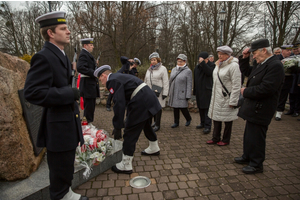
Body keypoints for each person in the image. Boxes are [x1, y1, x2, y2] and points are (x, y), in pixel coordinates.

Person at [23, 11, 87, 200]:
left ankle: (66, 193)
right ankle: (60, 195)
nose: (68, 31)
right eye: (63, 29)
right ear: (51, 33)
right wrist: (69, 93)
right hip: (57, 125)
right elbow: (32, 92)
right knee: (59, 166)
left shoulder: (61, 55)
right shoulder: (44, 57)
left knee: (66, 163)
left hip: (66, 121)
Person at [94, 65, 161, 174]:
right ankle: (154, 147)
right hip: (147, 97)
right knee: (145, 124)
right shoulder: (117, 77)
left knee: (130, 130)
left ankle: (126, 163)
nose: (100, 82)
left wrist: (118, 126)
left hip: (141, 100)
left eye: (100, 78)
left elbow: (119, 104)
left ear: (104, 75)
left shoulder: (112, 81)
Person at [236, 39, 284, 174]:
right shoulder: (262, 63)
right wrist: (244, 59)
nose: (254, 56)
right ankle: (247, 156)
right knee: (249, 135)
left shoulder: (275, 65)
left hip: (262, 108)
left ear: (264, 50)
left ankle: (257, 164)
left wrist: (246, 91)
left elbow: (267, 88)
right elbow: (248, 72)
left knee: (257, 137)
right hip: (254, 106)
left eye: (255, 53)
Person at [206, 46, 241, 146]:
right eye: (219, 54)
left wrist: (233, 101)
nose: (219, 56)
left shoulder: (233, 66)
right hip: (217, 96)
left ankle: (226, 139)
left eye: (222, 54)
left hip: (227, 97)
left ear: (228, 55)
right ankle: (215, 137)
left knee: (227, 119)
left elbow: (236, 84)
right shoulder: (218, 64)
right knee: (216, 118)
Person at [77, 38, 100, 127]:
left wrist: (95, 64)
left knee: (90, 105)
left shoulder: (87, 54)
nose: (93, 47)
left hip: (89, 84)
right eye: (91, 45)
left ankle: (88, 121)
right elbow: (80, 68)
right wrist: (94, 72)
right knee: (89, 105)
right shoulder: (84, 54)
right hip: (88, 84)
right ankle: (87, 123)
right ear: (85, 45)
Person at [144, 52, 169, 132]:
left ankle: (157, 124)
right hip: (150, 92)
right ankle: (153, 122)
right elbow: (145, 80)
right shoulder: (149, 70)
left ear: (158, 60)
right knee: (151, 108)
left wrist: (165, 93)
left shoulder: (163, 69)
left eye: (154, 60)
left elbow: (165, 81)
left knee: (158, 109)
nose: (153, 61)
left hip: (159, 92)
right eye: (151, 60)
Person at [168, 54, 192, 128]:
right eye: (178, 61)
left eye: (181, 61)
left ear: (185, 61)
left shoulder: (188, 71)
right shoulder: (174, 69)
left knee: (183, 108)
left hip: (182, 92)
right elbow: (170, 80)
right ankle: (176, 122)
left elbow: (189, 84)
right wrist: (169, 90)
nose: (179, 63)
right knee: (175, 108)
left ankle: (188, 118)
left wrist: (188, 95)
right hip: (174, 91)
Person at [193, 52, 215, 134]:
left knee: (206, 109)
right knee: (201, 108)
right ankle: (202, 123)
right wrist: (195, 90)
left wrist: (203, 64)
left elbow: (209, 73)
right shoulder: (197, 67)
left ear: (207, 59)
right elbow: (195, 79)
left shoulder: (212, 66)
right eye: (199, 60)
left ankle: (207, 126)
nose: (200, 61)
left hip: (207, 91)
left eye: (202, 60)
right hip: (199, 91)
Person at [275, 44, 294, 120]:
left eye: (290, 50)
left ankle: (279, 113)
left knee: (283, 97)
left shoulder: (292, 59)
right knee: (276, 96)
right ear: (283, 51)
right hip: (277, 81)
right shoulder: (277, 58)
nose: (289, 52)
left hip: (287, 81)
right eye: (287, 50)